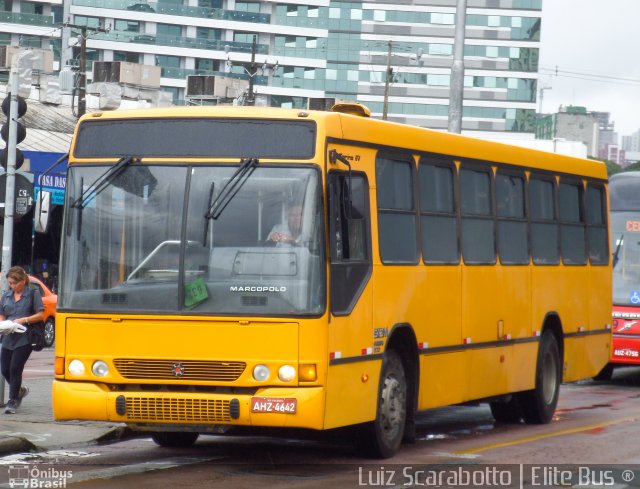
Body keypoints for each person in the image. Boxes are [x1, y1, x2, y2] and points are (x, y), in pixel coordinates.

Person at [0, 266, 44, 414]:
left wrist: (23, 320)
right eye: (10, 283)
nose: (12, 286)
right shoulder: (6, 296)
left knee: (15, 368)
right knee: (5, 368)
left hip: (25, 337)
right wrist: (3, 324)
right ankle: (20, 390)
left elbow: (40, 315)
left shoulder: (32, 293)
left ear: (22, 281)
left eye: (14, 283)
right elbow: (2, 314)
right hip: (8, 336)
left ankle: (12, 401)